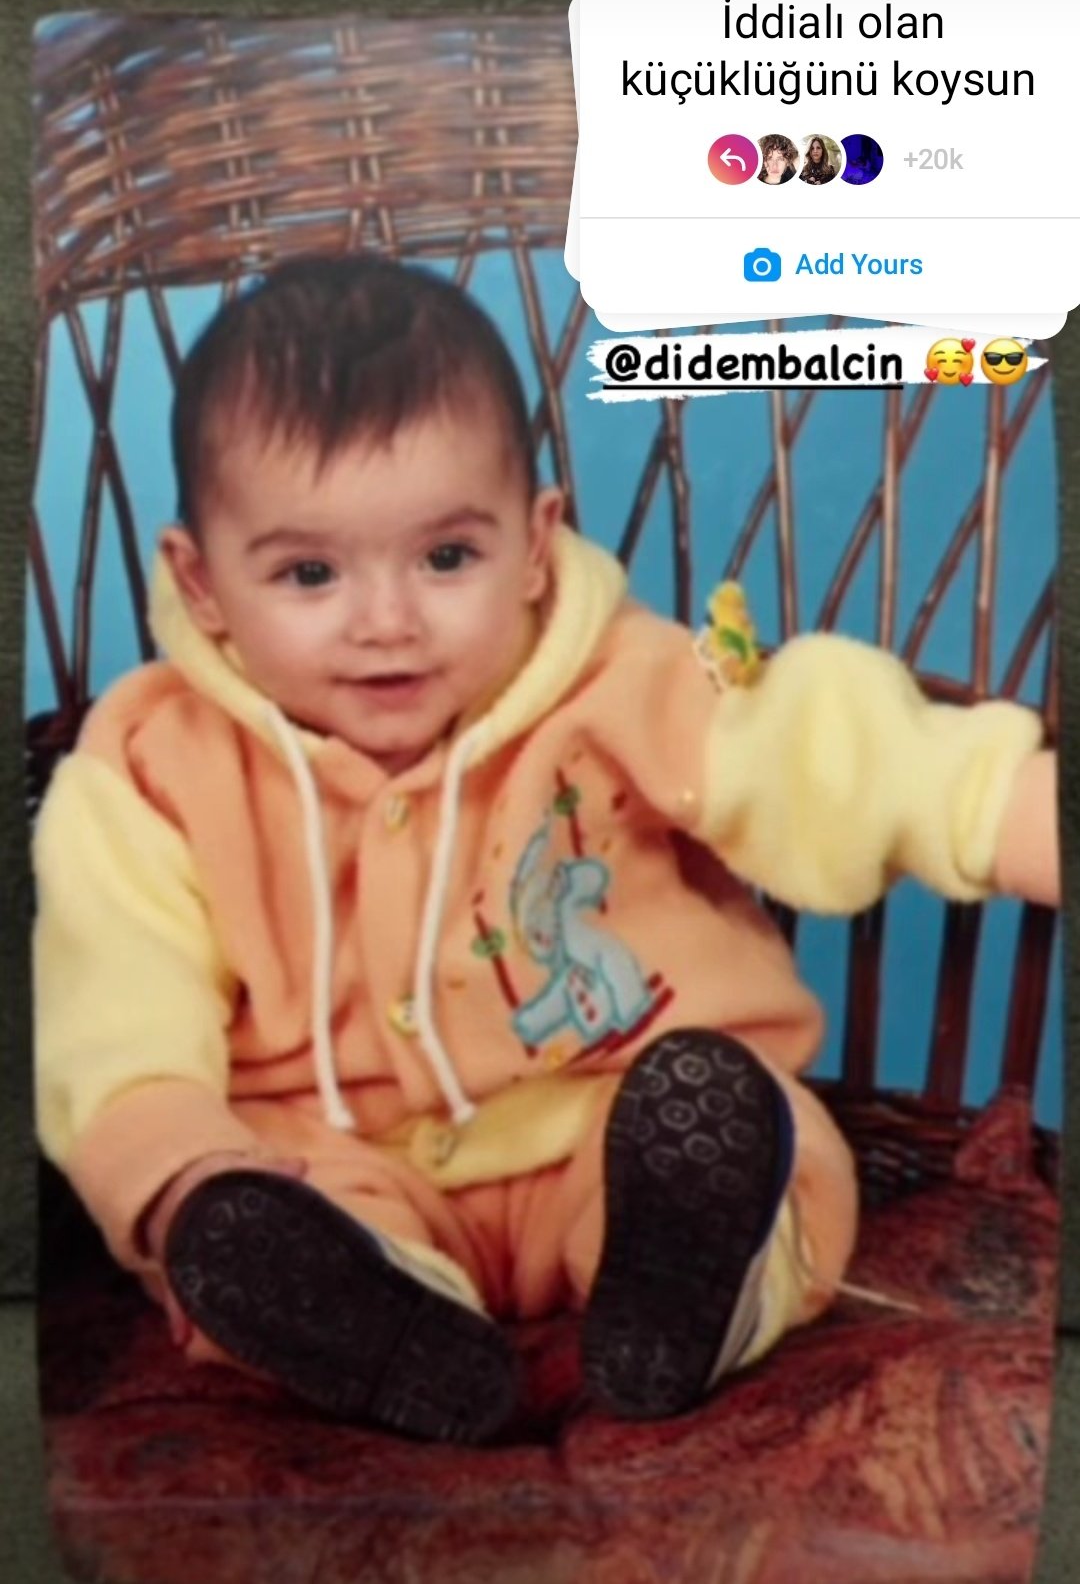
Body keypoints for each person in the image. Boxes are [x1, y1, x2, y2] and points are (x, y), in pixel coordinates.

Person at [33, 258, 1060, 1444]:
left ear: (533, 544)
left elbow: (816, 754)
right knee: (244, 1217)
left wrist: (1012, 809)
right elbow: (115, 1024)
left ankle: (691, 1297)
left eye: (446, 558)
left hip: (616, 1116)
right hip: (333, 1161)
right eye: (309, 573)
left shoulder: (615, 679)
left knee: (772, 1146)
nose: (386, 622)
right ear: (202, 583)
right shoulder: (154, 766)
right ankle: (376, 1318)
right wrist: (179, 1181)